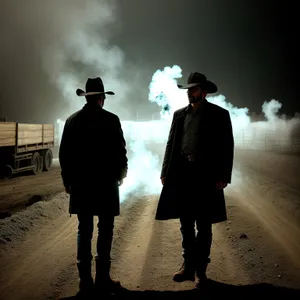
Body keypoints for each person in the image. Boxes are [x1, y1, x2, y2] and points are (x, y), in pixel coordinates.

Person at [155, 72, 234, 288]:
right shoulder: (179, 115)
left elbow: (227, 147)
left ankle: (201, 271)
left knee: (204, 225)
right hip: (183, 174)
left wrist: (223, 176)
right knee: (186, 223)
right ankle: (187, 267)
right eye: (189, 89)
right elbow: (171, 144)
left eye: (194, 89)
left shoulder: (219, 115)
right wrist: (165, 171)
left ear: (204, 92)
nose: (189, 92)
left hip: (206, 176)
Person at [59, 77, 128, 297]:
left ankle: (85, 283)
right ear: (101, 98)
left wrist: (67, 181)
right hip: (106, 185)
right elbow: (120, 151)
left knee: (84, 230)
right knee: (105, 230)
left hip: (81, 186)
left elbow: (64, 156)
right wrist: (121, 174)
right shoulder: (111, 120)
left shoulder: (71, 121)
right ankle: (103, 280)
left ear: (87, 97)